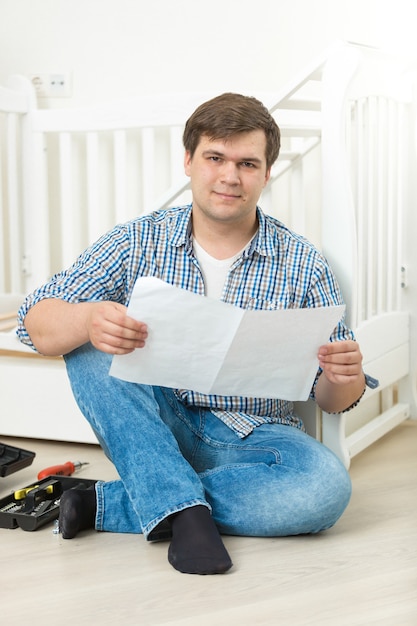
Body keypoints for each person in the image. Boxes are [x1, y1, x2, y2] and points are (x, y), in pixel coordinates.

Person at [17, 92, 366, 576]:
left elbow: (333, 399)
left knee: (325, 488)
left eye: (247, 163)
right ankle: (186, 513)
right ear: (188, 161)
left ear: (266, 174)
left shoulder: (303, 262)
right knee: (90, 346)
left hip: (253, 437)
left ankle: (116, 501)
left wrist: (344, 373)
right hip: (158, 425)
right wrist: (88, 320)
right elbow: (35, 321)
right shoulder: (136, 240)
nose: (229, 176)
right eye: (215, 158)